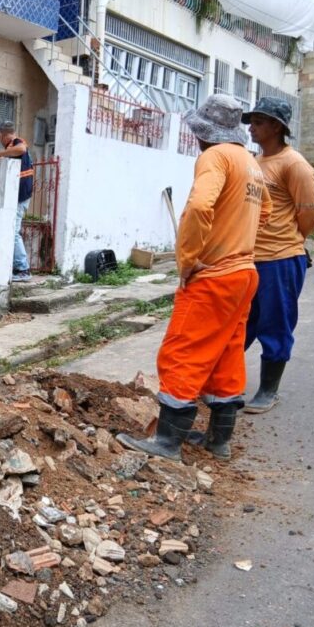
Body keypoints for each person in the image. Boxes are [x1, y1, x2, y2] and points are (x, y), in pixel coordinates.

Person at [116, 95, 272, 462]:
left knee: (182, 352)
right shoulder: (249, 163)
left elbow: (201, 206)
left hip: (214, 276)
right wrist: (239, 238)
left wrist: (189, 261)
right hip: (244, 274)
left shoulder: (214, 157)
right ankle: (219, 440)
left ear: (205, 132)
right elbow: (265, 211)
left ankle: (167, 442)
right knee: (227, 354)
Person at [241, 98, 314, 414]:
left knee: (276, 324)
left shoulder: (295, 165)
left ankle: (268, 390)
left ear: (277, 127)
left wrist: (290, 240)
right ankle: (221, 385)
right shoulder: (253, 162)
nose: (251, 127)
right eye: (252, 121)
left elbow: (310, 215)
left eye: (258, 122)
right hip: (248, 257)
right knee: (241, 325)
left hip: (281, 259)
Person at [0, 121, 34, 282]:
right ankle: (17, 266)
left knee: (14, 232)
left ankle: (23, 269)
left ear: (3, 135)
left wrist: (0, 154)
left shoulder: (17, 143)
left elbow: (21, 149)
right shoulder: (11, 147)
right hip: (19, 195)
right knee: (12, 231)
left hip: (21, 195)